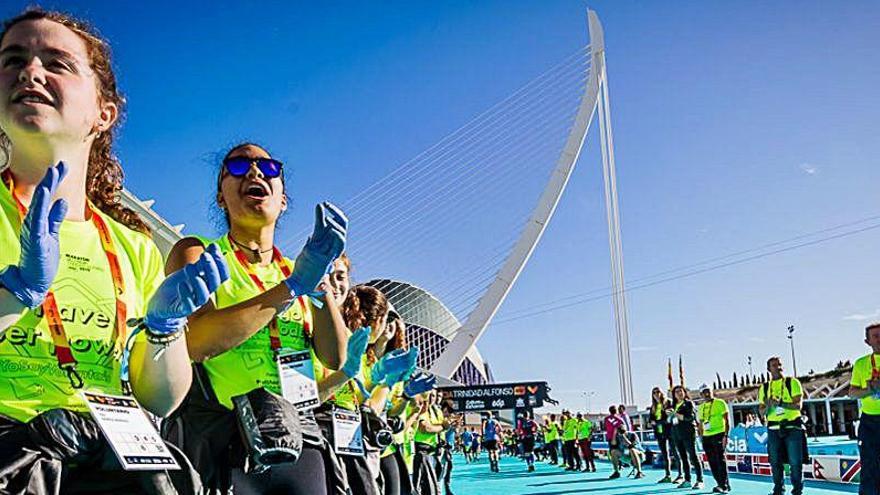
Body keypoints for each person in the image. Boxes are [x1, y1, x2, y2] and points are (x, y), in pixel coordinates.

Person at [0, 9, 229, 494]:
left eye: (57, 63)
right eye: (12, 59)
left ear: (103, 113)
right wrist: (14, 297)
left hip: (112, 458)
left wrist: (165, 330)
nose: (30, 71)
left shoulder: (135, 248)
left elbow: (160, 399)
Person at [161, 143, 352, 495]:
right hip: (223, 442)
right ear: (220, 197)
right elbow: (197, 343)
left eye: (268, 167)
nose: (254, 172)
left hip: (298, 435)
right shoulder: (198, 252)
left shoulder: (299, 268)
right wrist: (291, 288)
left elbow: (333, 357)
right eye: (236, 167)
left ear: (283, 200)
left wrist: (320, 284)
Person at [758, 356, 805, 495]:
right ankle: (778, 489)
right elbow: (761, 411)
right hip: (773, 429)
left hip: (792, 428)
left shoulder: (792, 382)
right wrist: (768, 404)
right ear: (768, 369)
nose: (778, 367)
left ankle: (797, 490)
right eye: (774, 365)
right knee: (775, 462)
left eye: (779, 365)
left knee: (795, 462)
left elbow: (798, 406)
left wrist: (781, 404)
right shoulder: (765, 388)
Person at [849, 323, 880, 495]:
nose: (879, 339)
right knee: (868, 465)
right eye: (875, 336)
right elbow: (852, 393)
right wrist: (870, 389)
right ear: (867, 341)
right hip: (869, 421)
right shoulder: (860, 364)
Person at [413, 390, 448, 495]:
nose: (432, 398)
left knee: (435, 482)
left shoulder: (436, 410)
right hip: (421, 450)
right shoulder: (422, 409)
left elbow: (442, 427)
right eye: (429, 395)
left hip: (435, 450)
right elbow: (425, 428)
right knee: (422, 486)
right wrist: (442, 427)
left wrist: (448, 424)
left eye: (434, 396)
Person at [669, 385, 704, 489]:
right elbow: (671, 420)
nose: (679, 393)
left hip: (688, 433)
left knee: (693, 456)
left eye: (681, 391)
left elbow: (690, 417)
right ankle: (687, 479)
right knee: (683, 458)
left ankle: (700, 480)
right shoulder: (673, 405)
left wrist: (676, 414)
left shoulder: (688, 403)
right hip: (677, 435)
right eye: (676, 392)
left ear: (684, 392)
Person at [697, 385, 730, 493]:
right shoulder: (700, 407)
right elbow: (700, 424)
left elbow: (726, 420)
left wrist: (726, 435)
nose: (707, 394)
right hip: (706, 437)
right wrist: (701, 437)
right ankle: (720, 484)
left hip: (719, 434)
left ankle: (724, 485)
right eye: (704, 392)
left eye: (708, 391)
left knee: (720, 459)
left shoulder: (720, 402)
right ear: (701, 394)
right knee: (712, 461)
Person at [649, 386, 680, 483]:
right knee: (664, 454)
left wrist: (658, 422)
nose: (656, 394)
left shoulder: (668, 403)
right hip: (659, 433)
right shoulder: (653, 407)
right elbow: (651, 419)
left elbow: (669, 419)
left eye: (658, 392)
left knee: (675, 453)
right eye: (654, 393)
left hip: (670, 432)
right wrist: (653, 423)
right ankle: (668, 475)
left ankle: (680, 475)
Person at [604, 406, 624, 479]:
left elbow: (606, 427)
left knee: (613, 454)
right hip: (618, 438)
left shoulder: (606, 419)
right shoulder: (620, 419)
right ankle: (620, 466)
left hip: (612, 438)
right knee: (619, 452)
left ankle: (616, 470)